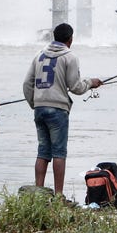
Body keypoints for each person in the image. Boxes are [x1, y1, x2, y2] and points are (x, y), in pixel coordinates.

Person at [22, 23, 101, 197]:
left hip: (39, 109)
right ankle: (58, 195)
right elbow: (76, 87)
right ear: (70, 39)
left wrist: (34, 103)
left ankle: (38, 191)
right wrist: (91, 82)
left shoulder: (39, 55)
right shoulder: (70, 57)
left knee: (43, 152)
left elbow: (27, 84)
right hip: (57, 110)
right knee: (59, 152)